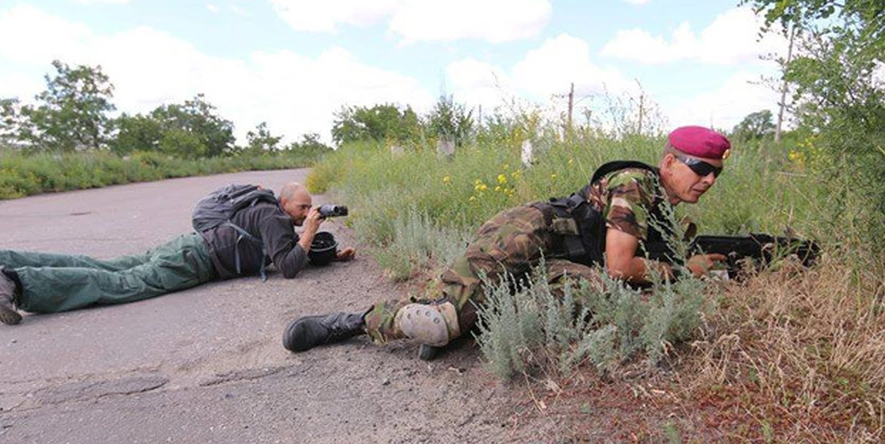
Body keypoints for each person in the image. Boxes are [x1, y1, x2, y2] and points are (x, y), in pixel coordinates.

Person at [282, 126, 730, 360]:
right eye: (699, 167)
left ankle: (467, 326)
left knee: (585, 300)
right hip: (527, 233)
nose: (708, 179)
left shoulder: (665, 211)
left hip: (559, 259)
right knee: (441, 320)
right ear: (669, 162)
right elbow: (620, 267)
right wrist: (681, 273)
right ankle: (352, 323)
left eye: (716, 173)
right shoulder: (636, 183)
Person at [0, 182, 355, 325]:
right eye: (303, 208)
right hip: (194, 261)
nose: (308, 213)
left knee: (104, 266)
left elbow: (286, 252)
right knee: (119, 283)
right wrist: (310, 232)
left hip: (187, 247)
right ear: (285, 203)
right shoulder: (272, 218)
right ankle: (13, 280)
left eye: (311, 208)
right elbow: (288, 267)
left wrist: (330, 255)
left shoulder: (267, 212)